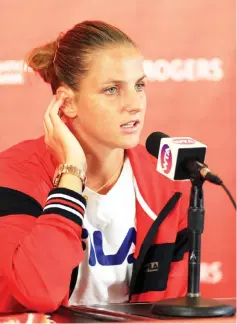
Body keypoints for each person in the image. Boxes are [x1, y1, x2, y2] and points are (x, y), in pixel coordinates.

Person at [0, 20, 189, 313]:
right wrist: (72, 173)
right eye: (112, 90)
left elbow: (169, 310)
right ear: (66, 102)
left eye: (139, 85)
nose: (135, 104)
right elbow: (38, 295)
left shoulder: (165, 182)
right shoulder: (13, 175)